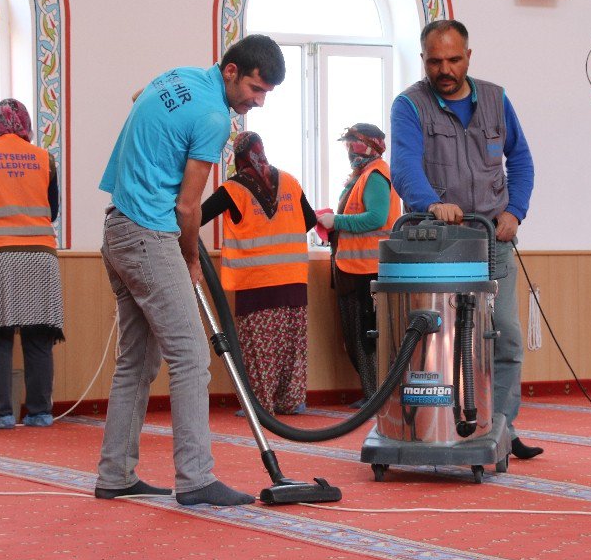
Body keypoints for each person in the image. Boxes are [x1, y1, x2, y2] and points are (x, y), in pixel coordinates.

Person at [96, 34, 285, 506]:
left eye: (265, 95)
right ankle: (196, 478)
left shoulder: (176, 76)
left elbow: (139, 97)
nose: (257, 104)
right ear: (230, 71)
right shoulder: (214, 117)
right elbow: (187, 206)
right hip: (149, 234)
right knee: (192, 357)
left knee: (137, 361)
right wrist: (191, 258)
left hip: (117, 228)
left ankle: (115, 474)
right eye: (255, 90)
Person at [389, 19, 543, 460]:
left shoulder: (496, 99)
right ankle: (437, 426)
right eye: (435, 61)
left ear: (468, 57)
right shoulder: (410, 105)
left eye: (454, 59)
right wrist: (429, 203)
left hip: (493, 241)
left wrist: (516, 211)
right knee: (445, 342)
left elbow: (522, 159)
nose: (445, 69)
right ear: (423, 60)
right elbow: (403, 165)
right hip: (438, 245)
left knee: (506, 337)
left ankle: (501, 430)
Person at [0, 98, 64, 429]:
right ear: (26, 126)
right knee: (38, 338)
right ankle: (40, 412)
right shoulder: (44, 158)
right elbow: (53, 210)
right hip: (40, 257)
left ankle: (3, 414)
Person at [201, 131, 316, 416]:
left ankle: (260, 406)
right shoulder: (289, 180)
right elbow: (311, 220)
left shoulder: (235, 187)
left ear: (239, 158)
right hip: (293, 278)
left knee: (259, 351)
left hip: (256, 282)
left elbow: (198, 215)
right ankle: (292, 401)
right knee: (292, 346)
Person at [317, 123, 400, 407]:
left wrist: (336, 221)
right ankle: (371, 393)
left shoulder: (375, 175)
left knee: (367, 336)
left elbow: (376, 218)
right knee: (358, 336)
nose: (350, 149)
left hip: (367, 270)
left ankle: (377, 395)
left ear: (370, 145)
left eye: (355, 142)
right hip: (353, 269)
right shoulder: (362, 176)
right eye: (348, 143)